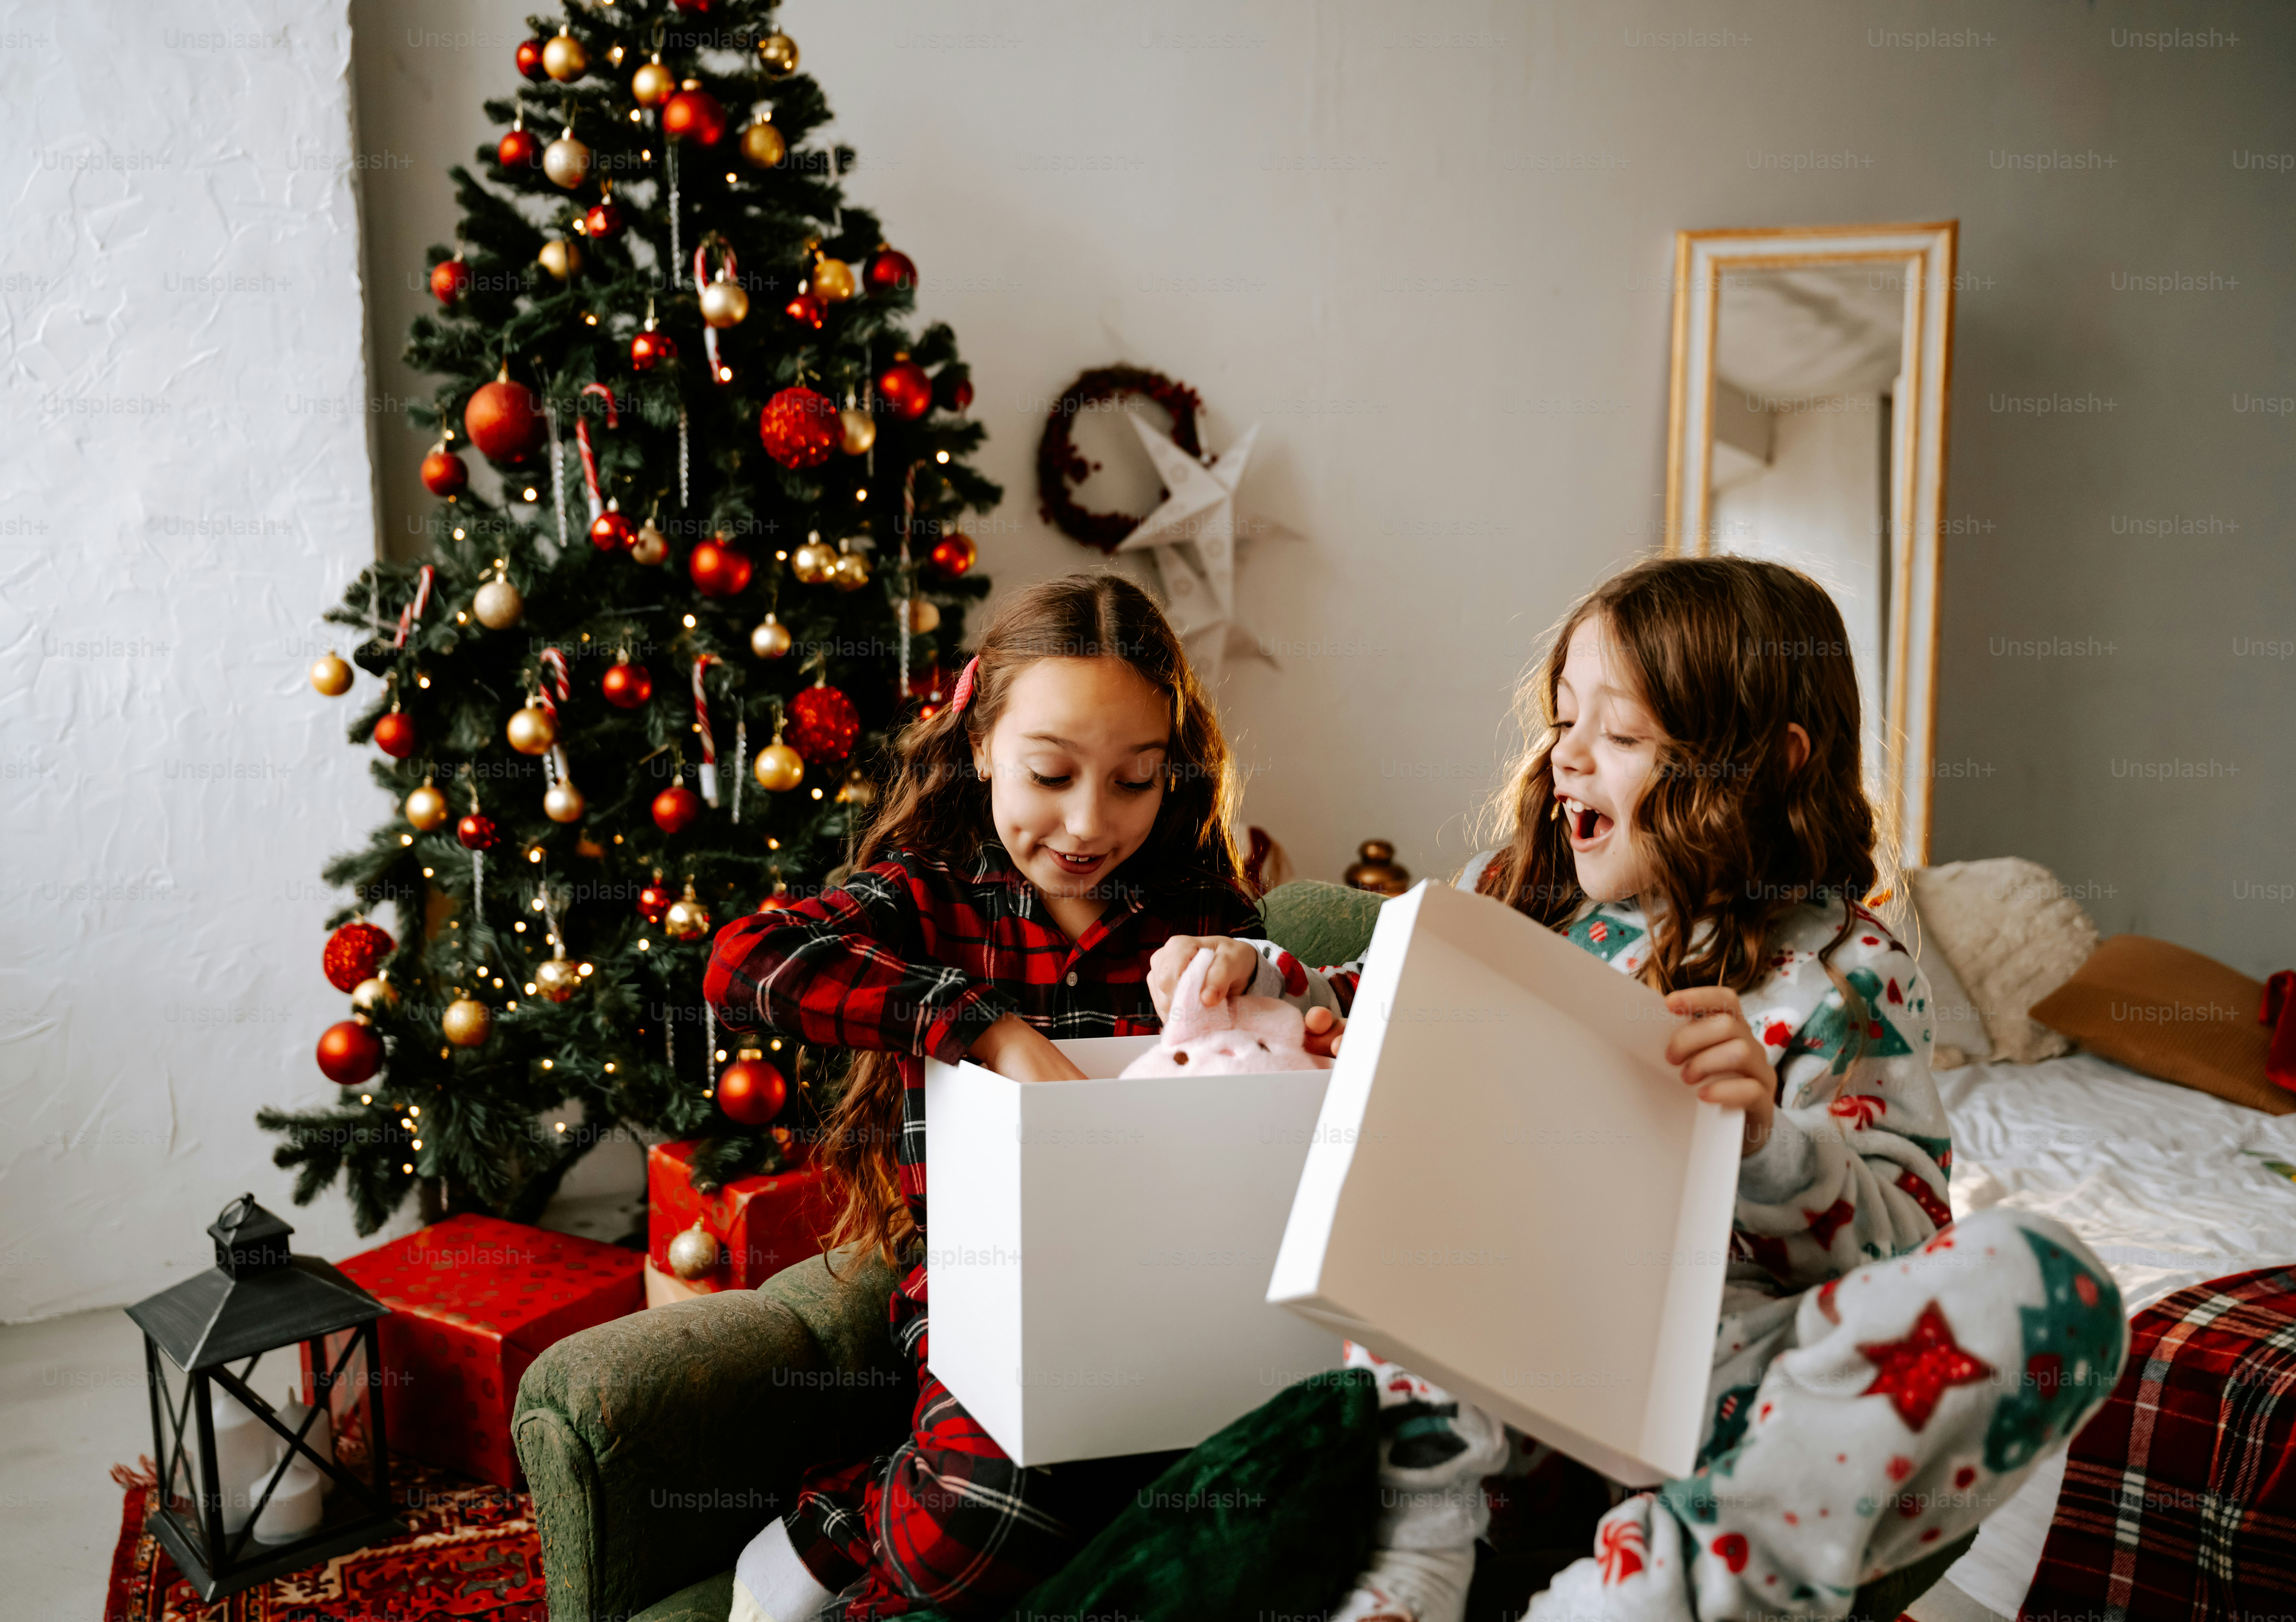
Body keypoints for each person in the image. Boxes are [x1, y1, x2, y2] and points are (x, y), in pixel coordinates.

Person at [1177, 557, 2128, 1622]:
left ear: (1765, 768)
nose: (1567, 756)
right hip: (1492, 1354)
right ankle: (1420, 1557)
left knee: (2050, 1280)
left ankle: (1656, 1584)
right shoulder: (1520, 894)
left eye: (1620, 737)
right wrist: (1254, 975)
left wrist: (1768, 1140)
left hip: (1716, 1377)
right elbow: (1368, 998)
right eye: (1564, 719)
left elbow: (1899, 1250)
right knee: (1425, 1146)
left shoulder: (1850, 971)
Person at [703, 572, 1334, 1622]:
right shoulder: (928, 897)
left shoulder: (1193, 909)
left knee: (1219, 1498)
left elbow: (1269, 1075)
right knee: (971, 1529)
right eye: (1050, 773)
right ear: (984, 741)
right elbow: (745, 962)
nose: (1089, 824)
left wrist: (1269, 994)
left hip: (1176, 1288)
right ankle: (852, 1514)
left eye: (1134, 783)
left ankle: (890, 1525)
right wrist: (985, 1028)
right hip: (976, 1290)